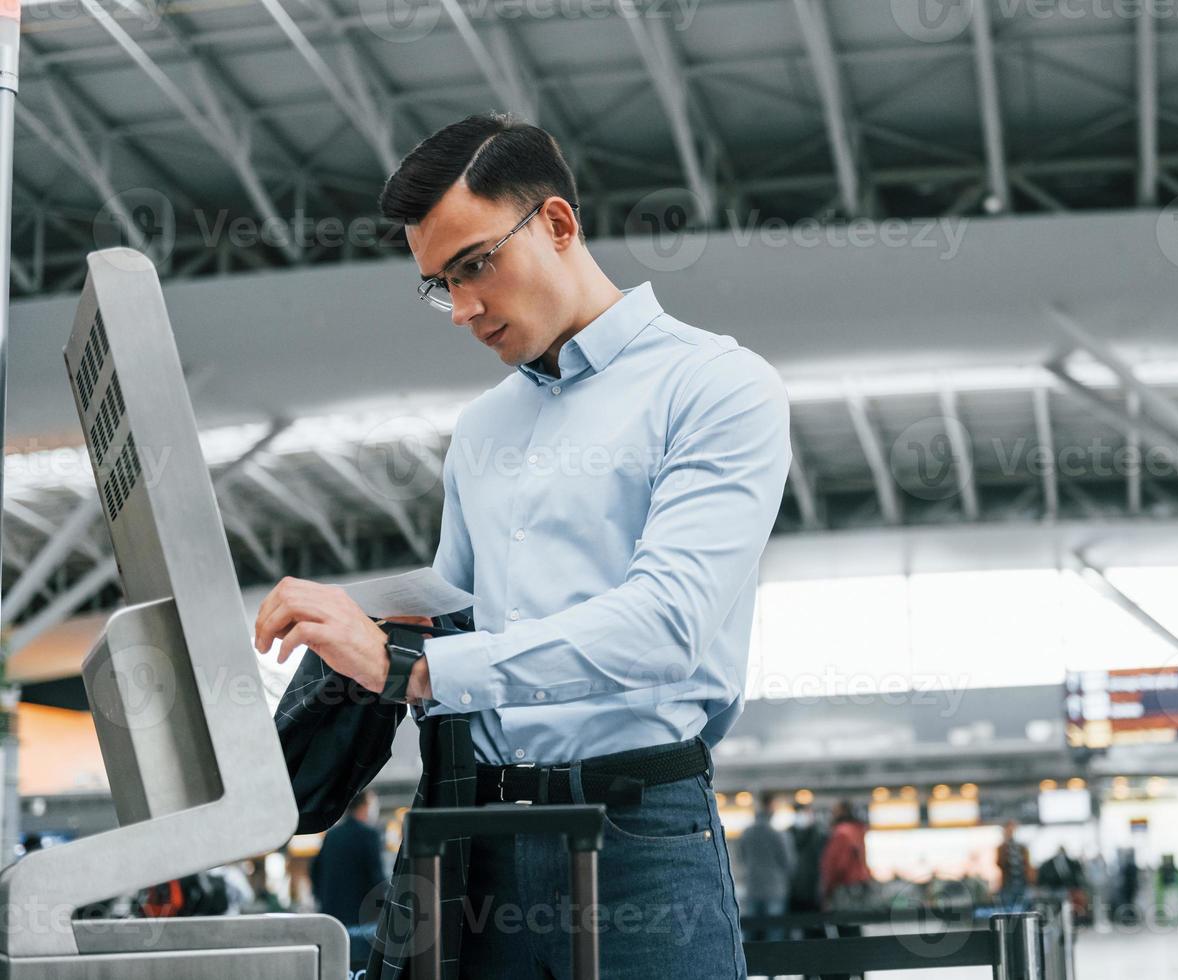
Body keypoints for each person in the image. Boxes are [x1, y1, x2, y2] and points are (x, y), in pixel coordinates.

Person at [255, 112, 791, 980]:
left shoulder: (717, 387)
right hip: (481, 836)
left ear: (556, 224)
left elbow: (664, 626)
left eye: (474, 266)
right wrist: (353, 617)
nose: (462, 308)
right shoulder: (484, 428)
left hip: (637, 839)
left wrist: (410, 669)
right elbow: (462, 604)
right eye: (439, 283)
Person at [310, 790, 387, 929]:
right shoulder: (369, 835)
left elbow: (315, 870)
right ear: (364, 806)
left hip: (332, 916)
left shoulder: (332, 835)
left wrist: (322, 898)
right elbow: (377, 878)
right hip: (361, 918)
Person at [818, 801, 871, 980]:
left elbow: (835, 866)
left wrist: (826, 890)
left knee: (844, 935)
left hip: (843, 890)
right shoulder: (857, 831)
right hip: (857, 889)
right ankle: (860, 972)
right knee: (855, 933)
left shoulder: (841, 833)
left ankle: (847, 974)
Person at [737, 792, 796, 941]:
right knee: (774, 935)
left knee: (751, 934)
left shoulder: (747, 833)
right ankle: (774, 964)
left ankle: (752, 964)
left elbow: (741, 857)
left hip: (753, 887)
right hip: (775, 890)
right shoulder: (778, 835)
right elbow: (788, 863)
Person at [995, 820, 1033, 912]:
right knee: (1008, 909)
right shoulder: (1002, 848)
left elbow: (1028, 865)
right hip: (1008, 884)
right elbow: (999, 863)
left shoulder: (1022, 848)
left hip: (1022, 883)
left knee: (1024, 908)